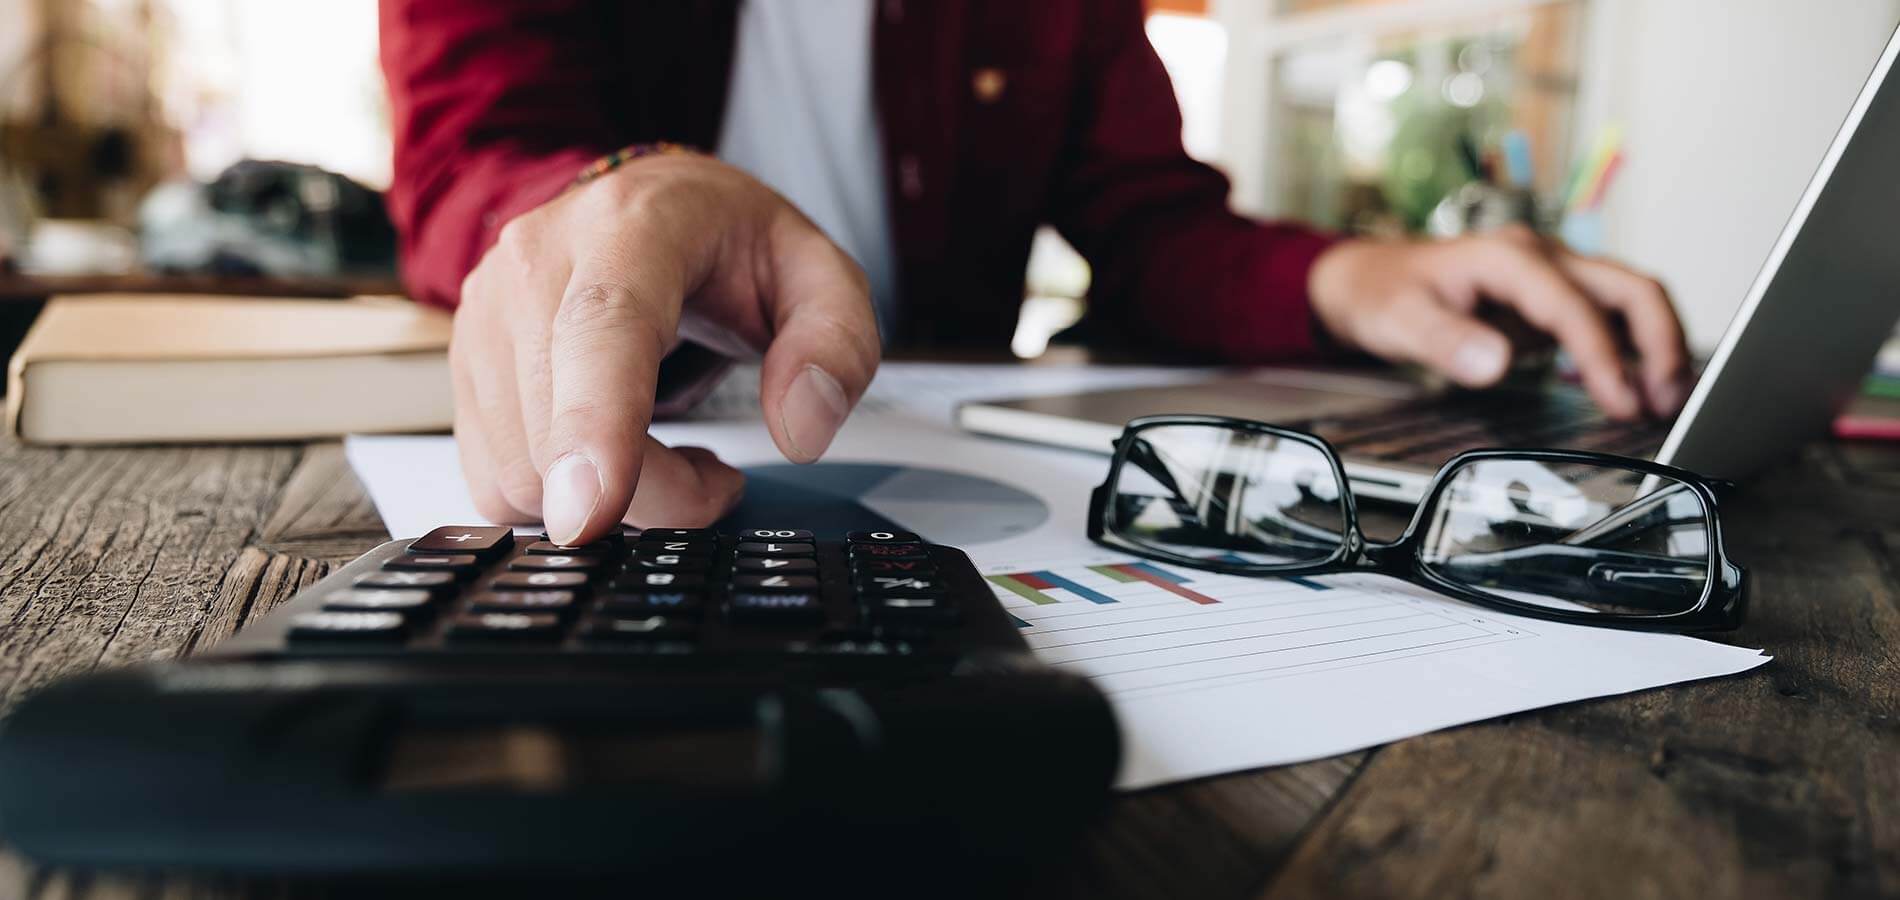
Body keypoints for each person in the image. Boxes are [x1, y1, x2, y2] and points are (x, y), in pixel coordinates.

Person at [379, 0, 1691, 548]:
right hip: (641, 444)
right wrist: (619, 194)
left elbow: (1148, 214)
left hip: (935, 465)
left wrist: (1347, 276)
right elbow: (460, 161)